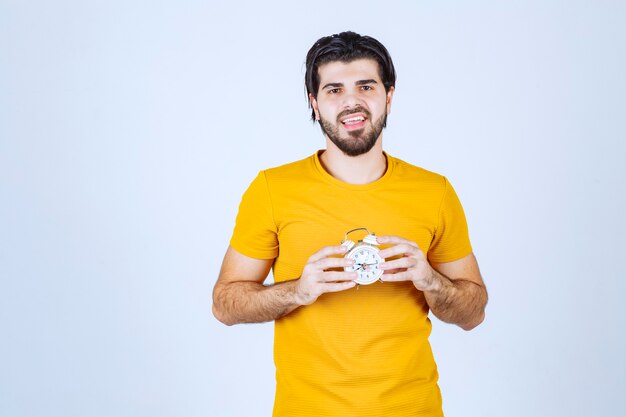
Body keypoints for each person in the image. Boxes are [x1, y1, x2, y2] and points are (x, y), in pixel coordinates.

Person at [212, 31, 488, 417]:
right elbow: (225, 304)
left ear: (388, 97)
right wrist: (298, 291)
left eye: (366, 86)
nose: (351, 101)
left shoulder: (434, 191)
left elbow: (474, 313)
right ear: (314, 102)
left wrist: (430, 281)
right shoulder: (272, 189)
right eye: (334, 90)